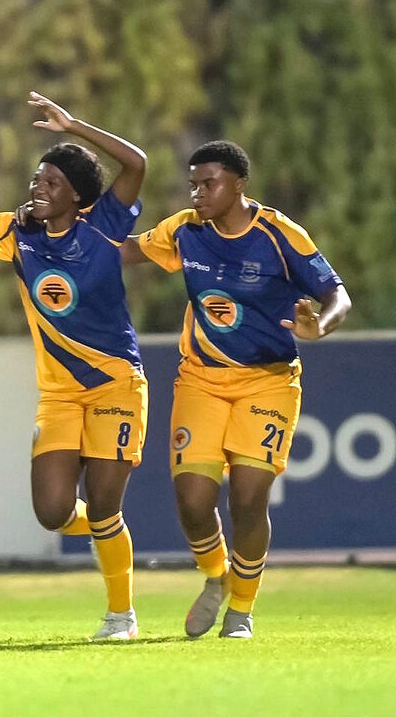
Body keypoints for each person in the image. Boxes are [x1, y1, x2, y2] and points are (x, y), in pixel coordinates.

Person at [0, 94, 148, 640]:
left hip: (116, 385)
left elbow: (138, 164)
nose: (38, 188)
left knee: (103, 507)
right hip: (58, 395)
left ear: (77, 196)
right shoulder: (18, 233)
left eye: (51, 182)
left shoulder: (103, 225)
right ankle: (112, 536)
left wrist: (76, 126)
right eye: (36, 180)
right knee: (53, 512)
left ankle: (120, 615)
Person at [122, 140, 351, 639]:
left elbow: (337, 293)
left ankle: (241, 609)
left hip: (267, 382)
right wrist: (60, 236)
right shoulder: (185, 229)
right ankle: (215, 576)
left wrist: (323, 326)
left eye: (209, 183)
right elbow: (128, 250)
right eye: (194, 184)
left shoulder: (277, 233)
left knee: (249, 499)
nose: (198, 192)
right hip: (200, 380)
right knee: (193, 501)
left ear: (238, 184)